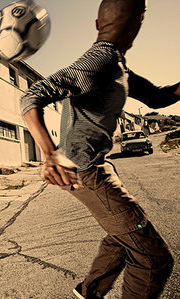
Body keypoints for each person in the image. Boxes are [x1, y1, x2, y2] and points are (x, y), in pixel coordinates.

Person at [20, 0, 179, 298]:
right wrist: (49, 153)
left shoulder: (118, 67)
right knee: (153, 260)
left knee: (121, 237)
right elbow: (32, 96)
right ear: (140, 22)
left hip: (93, 168)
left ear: (97, 24)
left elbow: (158, 98)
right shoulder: (100, 62)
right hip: (86, 172)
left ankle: (88, 292)